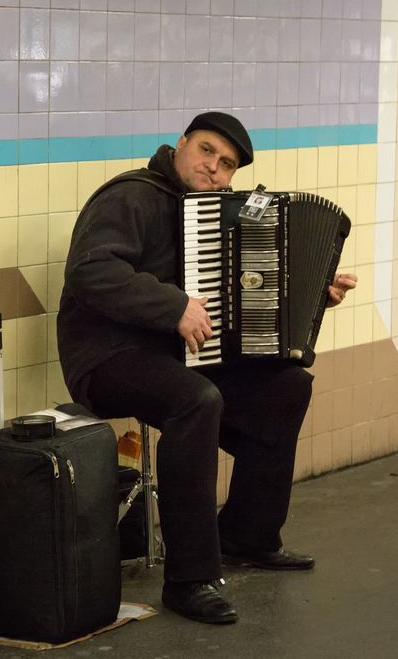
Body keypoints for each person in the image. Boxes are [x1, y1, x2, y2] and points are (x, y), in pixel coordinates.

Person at [56, 112, 358, 625]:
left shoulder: (219, 215)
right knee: (196, 401)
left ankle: (247, 536)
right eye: (206, 151)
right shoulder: (130, 196)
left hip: (181, 356)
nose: (213, 168)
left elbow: (242, 299)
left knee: (286, 388)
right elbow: (91, 271)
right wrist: (171, 306)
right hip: (108, 357)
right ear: (180, 145)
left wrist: (312, 299)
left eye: (226, 165)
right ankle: (189, 578)